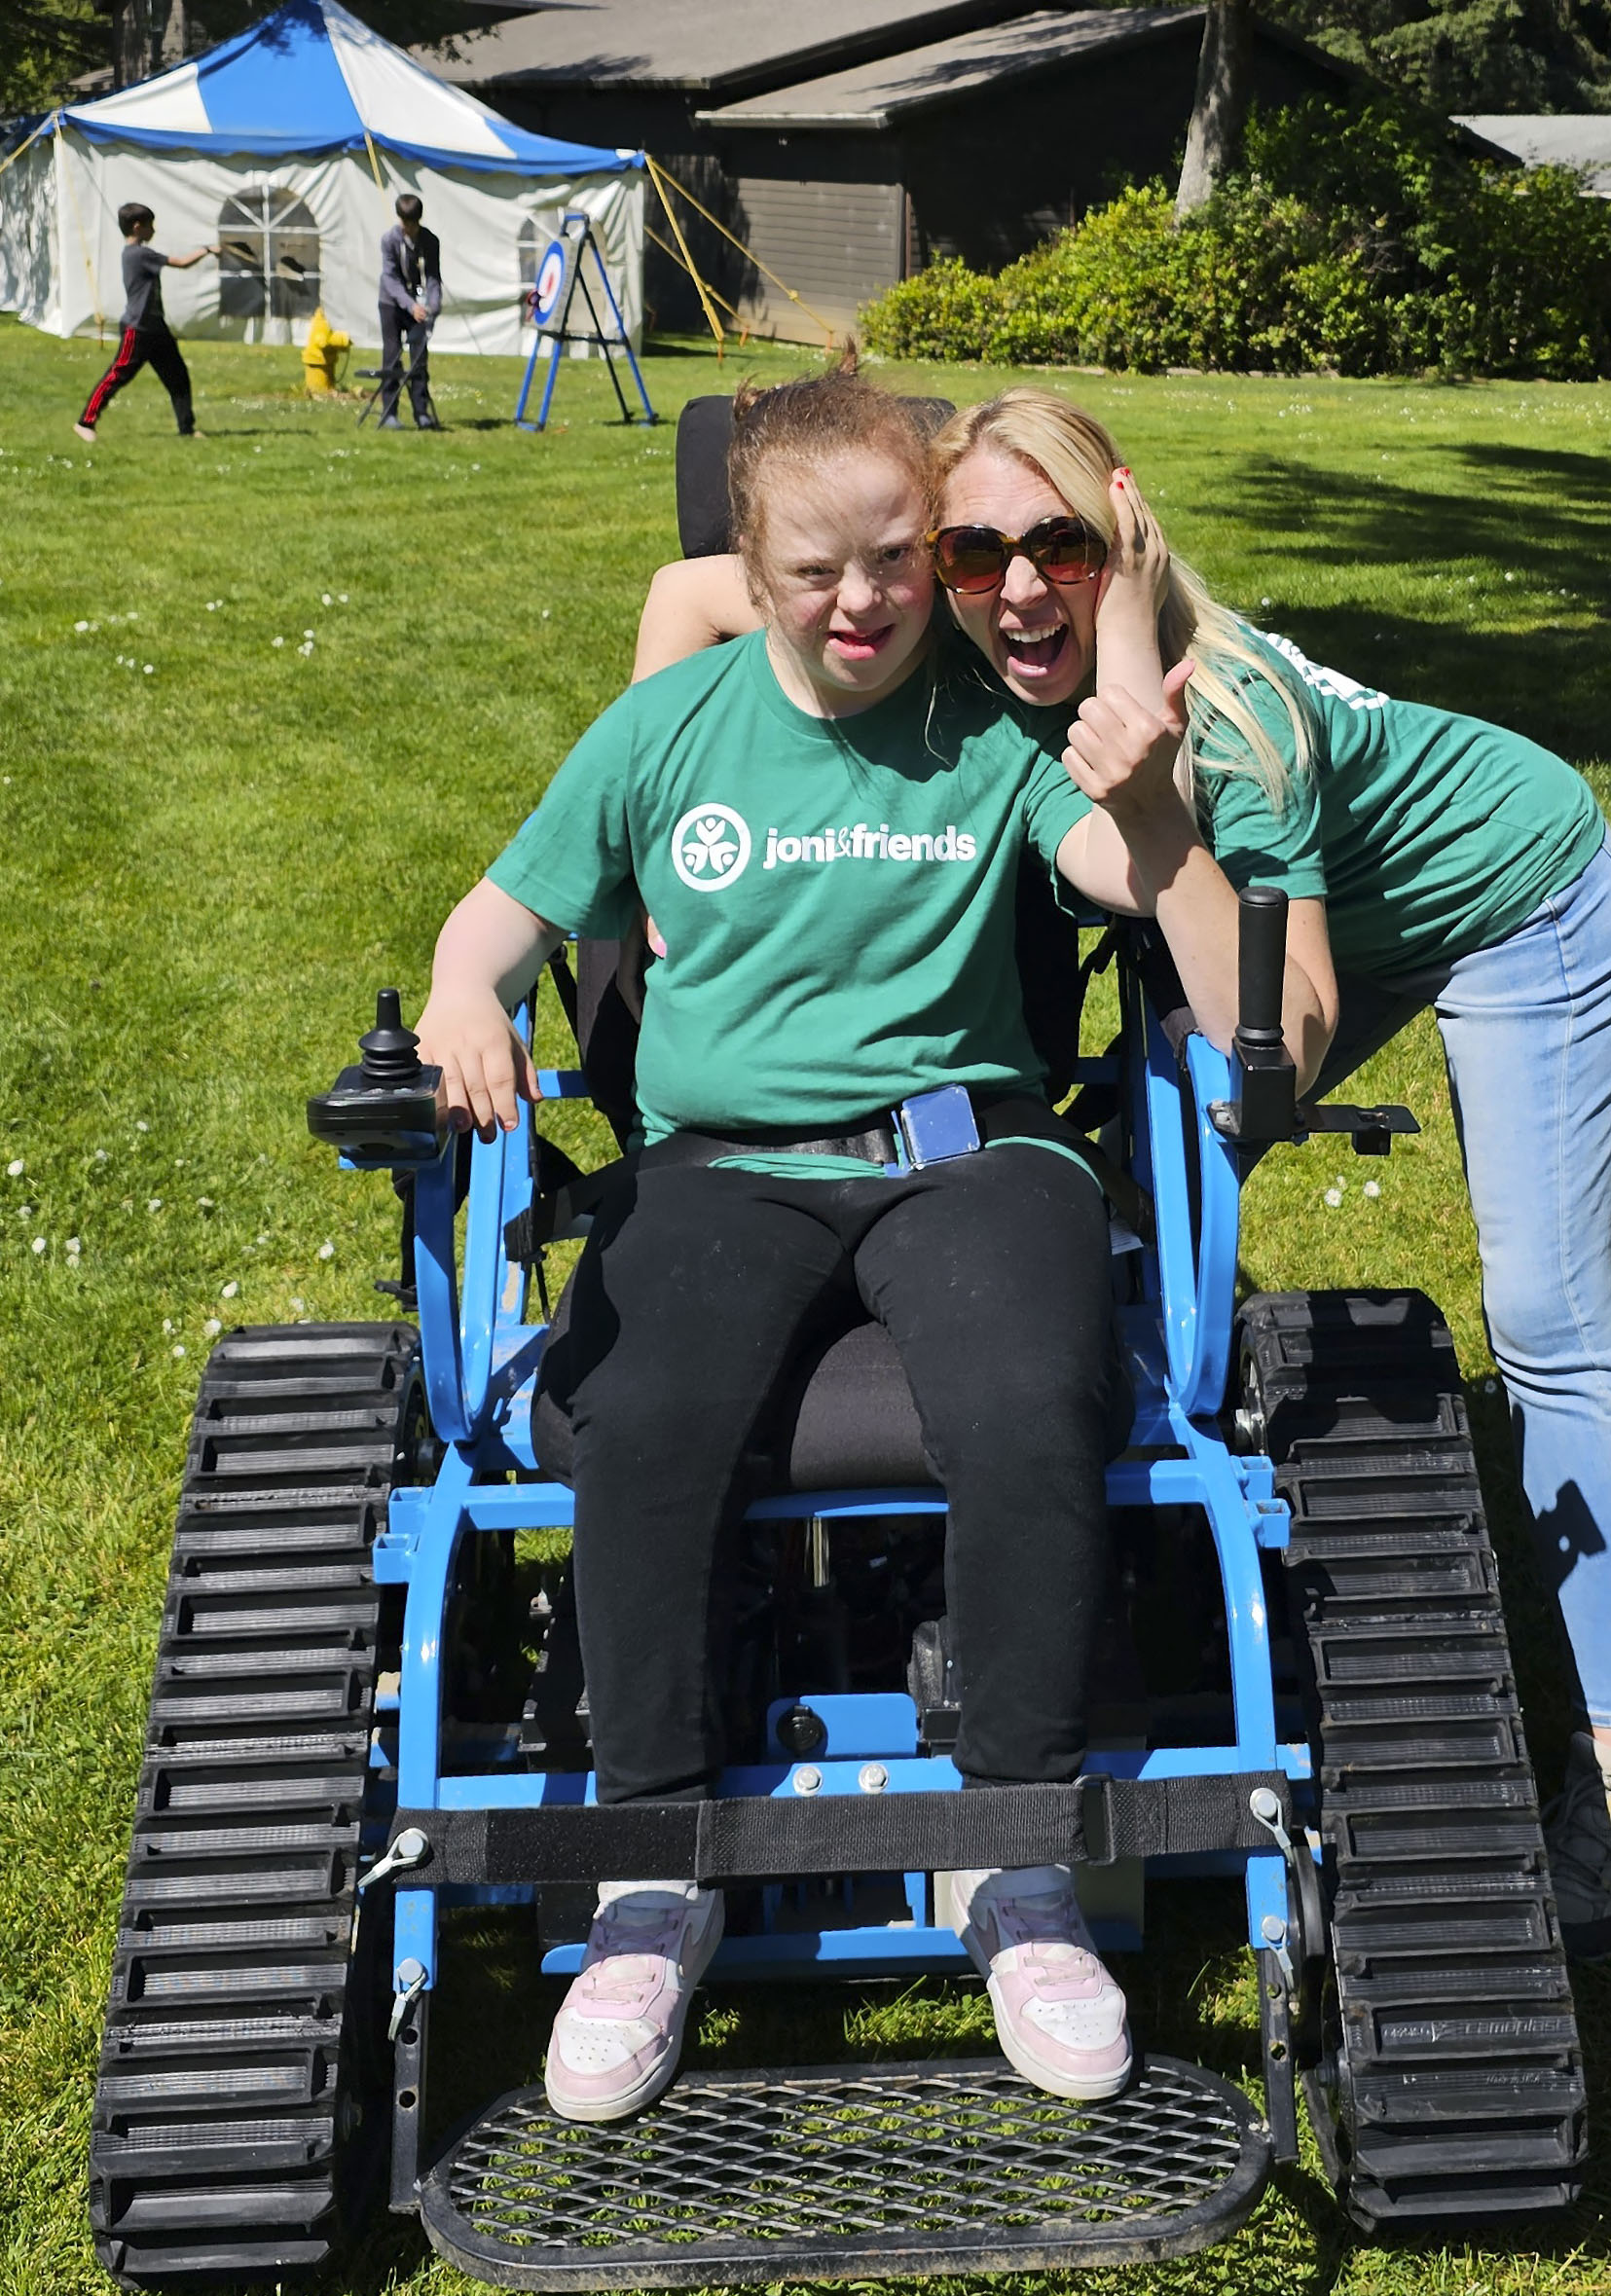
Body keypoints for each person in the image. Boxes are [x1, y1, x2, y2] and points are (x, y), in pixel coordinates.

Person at [637, 386, 1611, 1964]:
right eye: (970, 551)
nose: (1016, 586)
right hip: (1289, 901)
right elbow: (689, 591)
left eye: (1054, 541)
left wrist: (1143, 780)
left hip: (1508, 899)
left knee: (1538, 1311)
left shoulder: (1237, 724)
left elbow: (1291, 1045)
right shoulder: (961, 626)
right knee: (1111, 1164)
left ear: (1120, 522)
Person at [415, 365, 1308, 2124]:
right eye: (818, 569)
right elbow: (497, 919)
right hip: (722, 1164)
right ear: (751, 567)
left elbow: (1124, 880)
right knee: (643, 1418)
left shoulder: (984, 723)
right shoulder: (665, 731)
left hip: (966, 1154)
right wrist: (463, 997)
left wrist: (1144, 796)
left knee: (1034, 1394)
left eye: (899, 559)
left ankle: (1017, 1868)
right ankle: (651, 1880)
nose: (864, 601)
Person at [75, 204, 215, 444]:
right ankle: (84, 423)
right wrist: (208, 249)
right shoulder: (139, 254)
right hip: (137, 329)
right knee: (117, 376)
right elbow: (181, 263)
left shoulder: (134, 253)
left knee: (178, 377)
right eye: (151, 225)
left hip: (155, 327)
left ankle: (187, 429)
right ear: (138, 227)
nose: (154, 230)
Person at [377, 193, 441, 431]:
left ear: (418, 220)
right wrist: (410, 306)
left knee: (419, 359)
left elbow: (434, 278)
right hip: (392, 304)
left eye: (412, 224)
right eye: (404, 223)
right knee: (392, 356)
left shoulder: (430, 241)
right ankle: (389, 413)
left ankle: (422, 412)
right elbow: (390, 279)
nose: (408, 228)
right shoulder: (389, 240)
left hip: (419, 308)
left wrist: (431, 308)